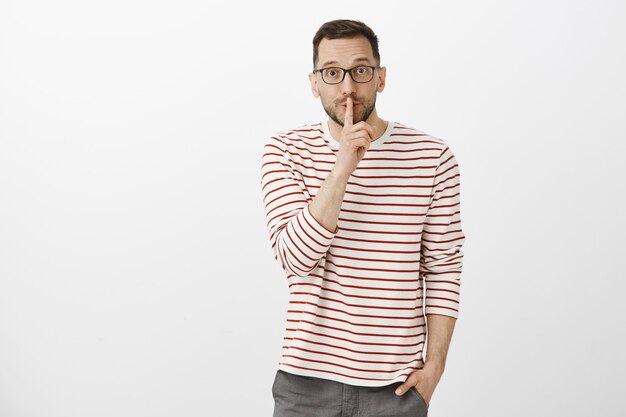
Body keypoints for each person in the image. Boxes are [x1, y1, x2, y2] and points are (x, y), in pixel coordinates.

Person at [260, 19, 465, 417]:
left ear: (381, 77)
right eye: (332, 73)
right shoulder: (285, 150)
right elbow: (296, 260)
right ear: (314, 82)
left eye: (361, 70)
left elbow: (443, 267)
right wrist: (341, 171)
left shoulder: (432, 157)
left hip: (397, 387)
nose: (348, 87)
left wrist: (435, 367)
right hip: (306, 384)